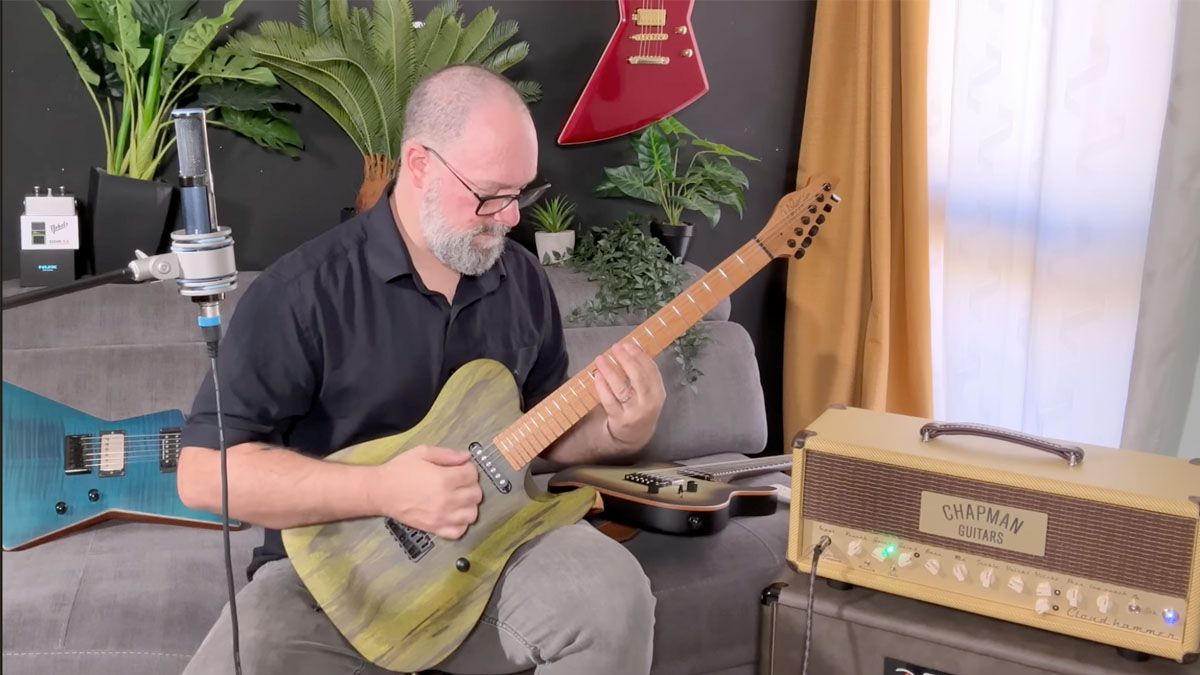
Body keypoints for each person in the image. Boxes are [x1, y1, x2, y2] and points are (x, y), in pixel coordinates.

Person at [177, 64, 667, 675]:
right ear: (419, 165)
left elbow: (541, 435)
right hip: (332, 572)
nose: (511, 218)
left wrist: (617, 433)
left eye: (521, 194)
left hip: (497, 548)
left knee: (611, 594)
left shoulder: (523, 282)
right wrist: (384, 489)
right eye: (489, 194)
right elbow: (202, 475)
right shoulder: (301, 292)